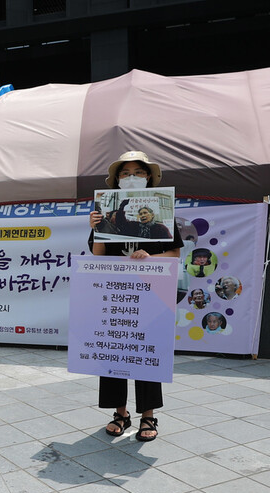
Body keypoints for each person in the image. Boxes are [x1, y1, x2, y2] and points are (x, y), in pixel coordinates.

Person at [88, 150, 182, 442]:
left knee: (147, 351)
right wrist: (96, 229)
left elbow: (175, 253)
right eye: (125, 173)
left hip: (151, 293)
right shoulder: (106, 215)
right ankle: (121, 412)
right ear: (116, 180)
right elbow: (97, 255)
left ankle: (149, 416)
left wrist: (150, 256)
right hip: (115, 292)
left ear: (149, 179)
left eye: (139, 173)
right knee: (114, 349)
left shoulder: (162, 218)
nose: (131, 178)